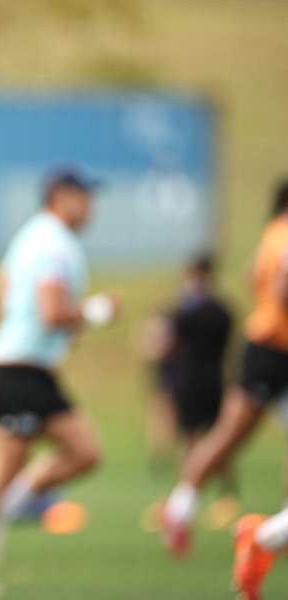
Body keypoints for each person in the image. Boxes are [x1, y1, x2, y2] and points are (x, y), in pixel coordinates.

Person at [0, 169, 117, 599]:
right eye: (85, 196)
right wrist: (96, 312)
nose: (91, 207)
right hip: (19, 370)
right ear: (61, 197)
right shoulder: (54, 243)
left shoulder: (32, 236)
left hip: (28, 368)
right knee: (3, 470)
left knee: (84, 452)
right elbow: (52, 312)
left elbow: (0, 297)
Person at [162, 178, 288, 557]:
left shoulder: (272, 232)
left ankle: (181, 507)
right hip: (274, 349)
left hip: (265, 343)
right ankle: (263, 534)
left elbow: (254, 277)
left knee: (227, 435)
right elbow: (283, 289)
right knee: (230, 434)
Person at [141, 254, 239, 531]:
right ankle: (225, 498)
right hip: (216, 380)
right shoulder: (224, 310)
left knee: (192, 441)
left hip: (190, 381)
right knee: (221, 438)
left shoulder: (184, 312)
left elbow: (167, 346)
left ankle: (185, 502)